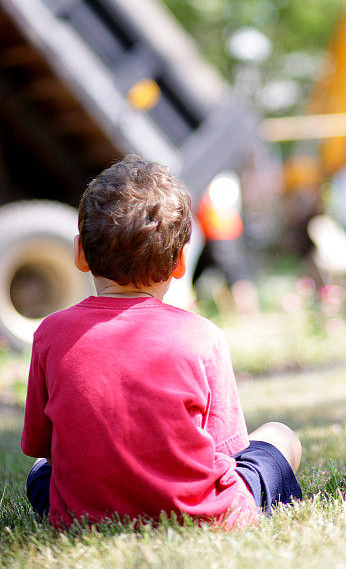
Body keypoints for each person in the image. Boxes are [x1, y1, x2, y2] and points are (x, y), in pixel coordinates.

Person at [21, 155, 302, 530]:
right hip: (201, 513)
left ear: (80, 253)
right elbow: (227, 450)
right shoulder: (203, 336)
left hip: (83, 516)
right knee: (279, 436)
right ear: (181, 262)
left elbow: (42, 448)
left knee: (39, 472)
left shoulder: (50, 334)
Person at [193, 173, 260, 315]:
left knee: (237, 278)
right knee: (197, 278)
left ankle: (248, 314)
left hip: (222, 236)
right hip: (217, 236)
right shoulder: (220, 180)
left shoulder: (219, 182)